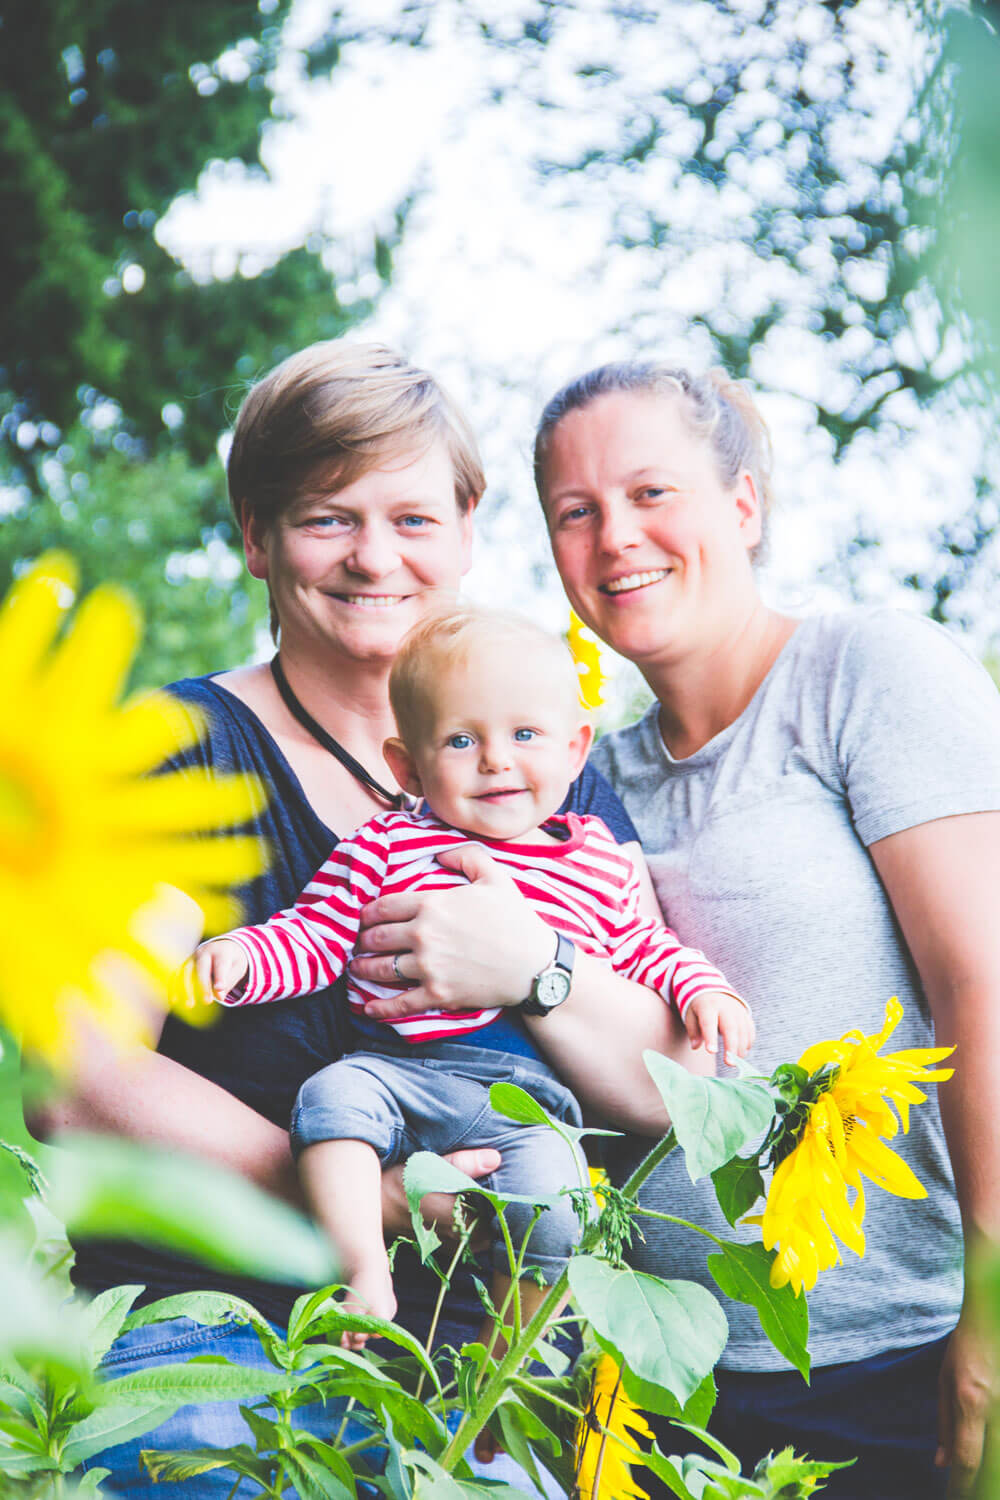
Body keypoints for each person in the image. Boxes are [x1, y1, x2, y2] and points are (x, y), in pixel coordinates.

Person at [37, 341, 694, 1498]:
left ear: (467, 531)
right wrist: (360, 1201)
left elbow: (663, 1084)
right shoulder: (184, 752)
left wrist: (533, 966)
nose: (374, 557)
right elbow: (77, 1067)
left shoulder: (540, 764)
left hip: (478, 1368)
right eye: (327, 519)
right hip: (223, 1341)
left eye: (412, 518)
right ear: (254, 537)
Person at [524, 358, 1000, 1500]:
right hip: (654, 1392)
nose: (614, 539)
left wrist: (991, 1318)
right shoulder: (588, 778)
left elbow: (979, 986)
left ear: (741, 506)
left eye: (650, 494)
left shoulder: (859, 672)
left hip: (895, 1365)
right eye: (574, 513)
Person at [193, 604, 750, 1350]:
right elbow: (318, 934)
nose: (496, 760)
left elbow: (644, 947)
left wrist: (703, 991)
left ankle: (511, 1348)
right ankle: (362, 1271)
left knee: (556, 1203)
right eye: (461, 740)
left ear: (575, 749)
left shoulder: (595, 859)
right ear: (408, 767)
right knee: (327, 1103)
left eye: (525, 735)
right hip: (395, 1071)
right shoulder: (387, 844)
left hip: (525, 1101)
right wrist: (246, 958)